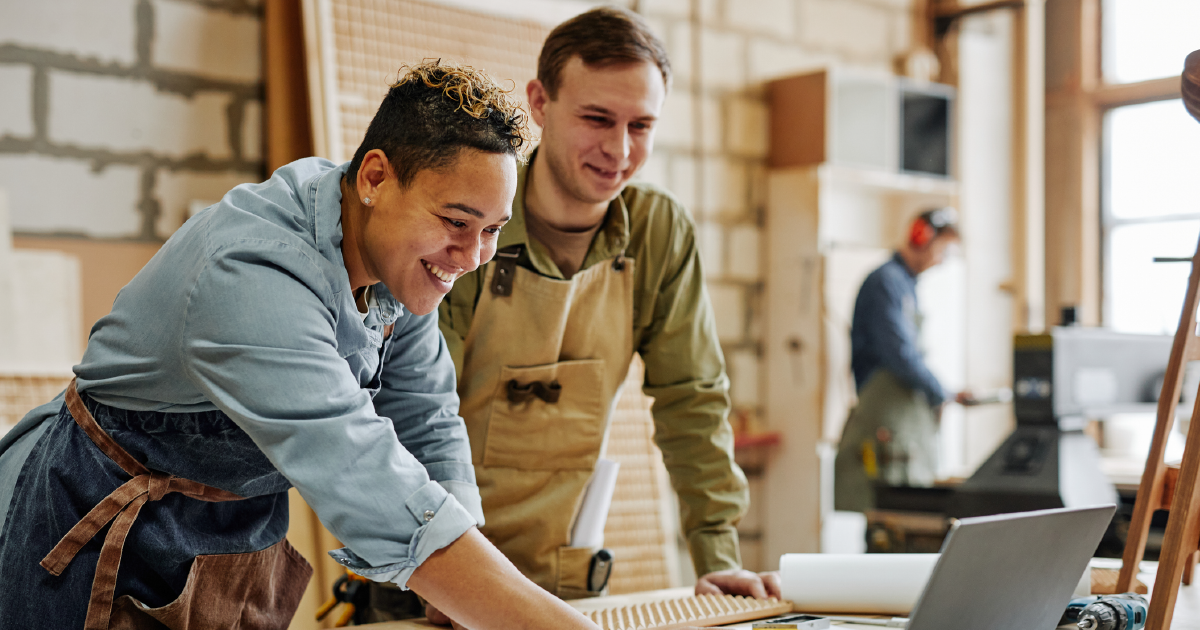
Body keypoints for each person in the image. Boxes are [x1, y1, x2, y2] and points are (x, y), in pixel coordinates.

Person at [0, 61, 602, 630]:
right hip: (99, 533)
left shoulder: (397, 260)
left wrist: (457, 581)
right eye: (456, 222)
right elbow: (367, 476)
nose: (472, 257)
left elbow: (426, 415)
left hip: (231, 540)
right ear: (374, 178)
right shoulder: (250, 274)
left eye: (493, 230)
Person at [359, 7, 776, 624]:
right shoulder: (470, 222)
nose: (619, 149)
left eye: (642, 125)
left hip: (564, 585)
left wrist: (717, 552)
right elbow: (413, 412)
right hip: (429, 582)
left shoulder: (658, 234)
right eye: (597, 118)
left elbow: (693, 401)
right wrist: (447, 578)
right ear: (540, 102)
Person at [833, 207, 971, 513]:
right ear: (921, 237)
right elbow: (899, 354)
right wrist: (940, 392)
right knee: (886, 523)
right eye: (942, 250)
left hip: (900, 427)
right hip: (884, 422)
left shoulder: (905, 286)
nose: (941, 261)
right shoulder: (886, 282)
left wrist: (947, 393)